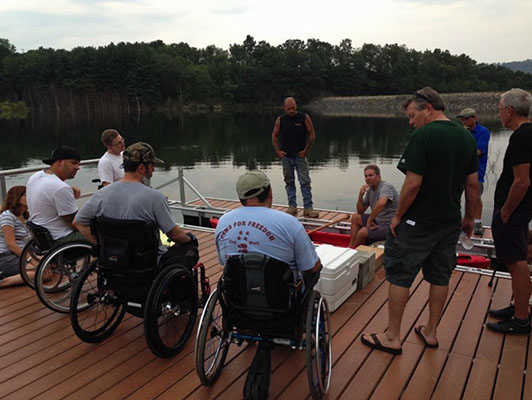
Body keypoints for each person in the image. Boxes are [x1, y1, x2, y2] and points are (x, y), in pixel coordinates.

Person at [361, 87, 478, 354]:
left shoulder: (423, 136)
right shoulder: (466, 136)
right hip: (449, 222)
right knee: (440, 276)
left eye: (413, 116)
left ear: (428, 108)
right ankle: (431, 332)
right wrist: (469, 217)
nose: (411, 122)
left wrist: (398, 216)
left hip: (417, 223)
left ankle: (392, 336)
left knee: (400, 276)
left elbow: (412, 184)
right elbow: (473, 185)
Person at [74, 142, 197, 267]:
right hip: (148, 265)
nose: (153, 170)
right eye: (152, 165)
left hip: (114, 263)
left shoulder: (101, 194)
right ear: (142, 168)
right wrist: (190, 238)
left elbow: (78, 222)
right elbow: (175, 235)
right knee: (190, 247)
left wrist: (103, 245)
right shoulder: (155, 198)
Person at [215, 169, 321, 284]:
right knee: (316, 267)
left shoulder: (223, 221)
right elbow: (310, 267)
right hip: (280, 298)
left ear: (240, 198)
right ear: (270, 192)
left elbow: (223, 262)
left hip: (238, 296)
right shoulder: (289, 223)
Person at [486, 88, 532, 334]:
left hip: (513, 211)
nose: (499, 113)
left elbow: (522, 181)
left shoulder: (521, 137)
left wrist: (506, 212)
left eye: (500, 109)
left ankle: (522, 319)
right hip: (520, 211)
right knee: (516, 261)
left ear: (510, 111)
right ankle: (518, 308)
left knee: (517, 263)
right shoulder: (527, 134)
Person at [26, 146, 85, 244]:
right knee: (104, 234)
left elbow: (51, 190)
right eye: (73, 163)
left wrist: (70, 189)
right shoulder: (60, 188)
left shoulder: (36, 176)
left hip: (41, 235)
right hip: (60, 238)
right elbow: (74, 223)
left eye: (78, 164)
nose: (77, 168)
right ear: (60, 162)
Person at [272, 97, 319, 218]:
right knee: (289, 182)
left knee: (305, 182)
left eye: (293, 108)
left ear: (296, 106)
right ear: (285, 108)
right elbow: (274, 135)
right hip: (286, 156)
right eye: (289, 109)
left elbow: (312, 133)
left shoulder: (304, 117)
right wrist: (278, 151)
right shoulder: (281, 120)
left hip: (300, 155)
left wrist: (306, 150)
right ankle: (292, 206)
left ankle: (308, 208)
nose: (291, 111)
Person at [457, 108, 491, 235]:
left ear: (474, 118)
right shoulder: (460, 131)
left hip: (477, 171)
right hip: (460, 171)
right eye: (462, 119)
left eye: (466, 118)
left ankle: (477, 222)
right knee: (456, 196)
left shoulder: (483, 132)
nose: (463, 121)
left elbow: (478, 152)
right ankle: (458, 222)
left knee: (475, 198)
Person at [349, 164, 399, 248]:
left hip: (389, 224)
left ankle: (353, 252)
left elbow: (381, 203)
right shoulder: (370, 190)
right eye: (366, 176)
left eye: (371, 175)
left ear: (379, 176)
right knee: (355, 217)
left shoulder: (385, 187)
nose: (368, 178)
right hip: (377, 221)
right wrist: (360, 195)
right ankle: (351, 246)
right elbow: (360, 211)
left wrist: (369, 220)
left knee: (363, 232)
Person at [0, 186, 30, 287]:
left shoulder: (24, 217)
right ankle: (3, 282)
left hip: (19, 255)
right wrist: (32, 260)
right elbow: (11, 244)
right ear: (16, 198)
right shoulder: (7, 216)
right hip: (6, 257)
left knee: (49, 268)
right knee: (42, 273)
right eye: (26, 195)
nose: (30, 197)